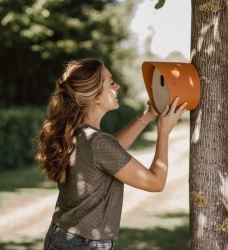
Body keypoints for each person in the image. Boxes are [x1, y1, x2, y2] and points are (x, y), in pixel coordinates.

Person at [36, 58, 187, 250]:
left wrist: (148, 113)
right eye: (110, 82)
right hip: (84, 244)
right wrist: (164, 132)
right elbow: (155, 182)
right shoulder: (97, 142)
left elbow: (111, 152)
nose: (118, 86)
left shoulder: (79, 134)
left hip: (61, 237)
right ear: (95, 97)